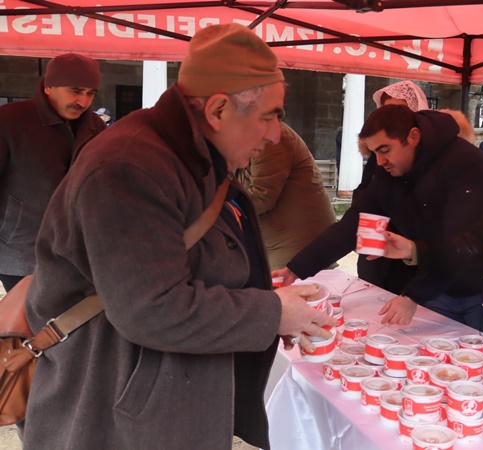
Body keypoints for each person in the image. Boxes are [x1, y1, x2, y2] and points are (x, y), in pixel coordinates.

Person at [23, 24, 334, 449]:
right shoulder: (129, 167)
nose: (276, 134)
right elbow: (152, 308)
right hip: (114, 404)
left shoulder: (187, 154)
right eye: (269, 116)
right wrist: (269, 312)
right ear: (219, 110)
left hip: (157, 393)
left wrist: (257, 289)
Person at [275, 105, 483, 330]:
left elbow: (467, 244)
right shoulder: (388, 170)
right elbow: (354, 223)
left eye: (385, 150)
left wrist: (413, 295)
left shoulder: (467, 165)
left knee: (480, 360)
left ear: (414, 136)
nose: (380, 161)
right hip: (432, 287)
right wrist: (297, 268)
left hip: (477, 291)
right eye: (374, 153)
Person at [0, 53, 106, 293]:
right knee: (25, 323)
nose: (83, 101)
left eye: (91, 93)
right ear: (49, 87)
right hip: (20, 250)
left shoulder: (95, 127)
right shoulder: (9, 120)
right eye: (75, 90)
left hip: (75, 253)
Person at [355, 80, 432, 294]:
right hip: (377, 254)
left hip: (412, 262)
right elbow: (364, 201)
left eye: (401, 110)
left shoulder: (435, 161)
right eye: (387, 110)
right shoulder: (377, 158)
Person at [237, 121, 337, 270]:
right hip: (277, 237)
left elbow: (261, 197)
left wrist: (219, 213)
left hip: (296, 241)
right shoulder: (246, 137)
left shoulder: (271, 138)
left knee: (288, 288)